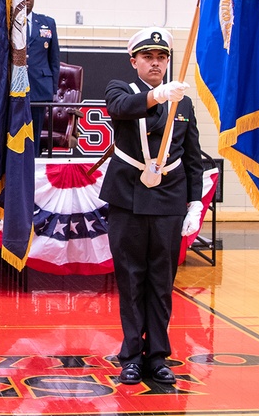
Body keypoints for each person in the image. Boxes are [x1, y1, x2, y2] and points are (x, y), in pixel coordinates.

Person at [99, 28, 203, 386]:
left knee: (161, 282)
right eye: (148, 57)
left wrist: (194, 204)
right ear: (134, 61)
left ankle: (158, 355)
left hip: (168, 200)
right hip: (128, 197)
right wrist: (158, 95)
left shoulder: (184, 102)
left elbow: (192, 158)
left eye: (161, 57)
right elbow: (120, 109)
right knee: (130, 279)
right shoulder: (120, 89)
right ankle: (130, 355)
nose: (156, 62)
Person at [24, 0, 61, 153]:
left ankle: (34, 166)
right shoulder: (6, 23)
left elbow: (54, 59)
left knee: (35, 133)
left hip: (39, 87)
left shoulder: (47, 23)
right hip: (13, 87)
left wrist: (52, 89)